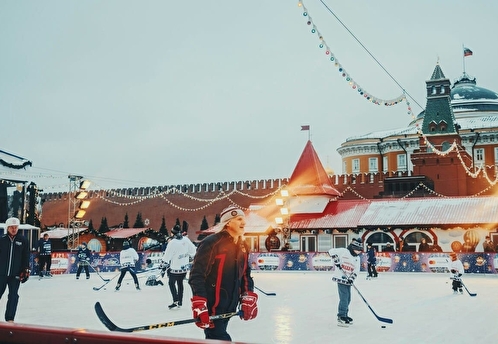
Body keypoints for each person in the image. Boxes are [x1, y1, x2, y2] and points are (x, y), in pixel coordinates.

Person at [189, 205, 258, 341]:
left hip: (229, 306)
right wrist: (200, 304)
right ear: (228, 222)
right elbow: (197, 275)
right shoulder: (211, 243)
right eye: (238, 219)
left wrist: (247, 296)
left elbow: (245, 275)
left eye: (243, 219)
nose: (243, 223)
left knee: (216, 339)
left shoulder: (243, 246)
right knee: (220, 338)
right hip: (213, 308)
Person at [0, 217, 30, 322]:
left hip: (15, 274)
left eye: (16, 227)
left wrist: (26, 270)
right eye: (12, 227)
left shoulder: (23, 240)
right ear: (7, 228)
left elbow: (26, 256)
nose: (14, 229)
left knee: (13, 296)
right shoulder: (2, 240)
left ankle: (10, 318)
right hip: (1, 274)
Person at [328, 237, 362, 327]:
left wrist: (352, 278)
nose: (359, 252)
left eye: (360, 250)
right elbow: (331, 251)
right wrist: (336, 260)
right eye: (357, 250)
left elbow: (356, 270)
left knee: (348, 299)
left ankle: (345, 315)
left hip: (348, 279)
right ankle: (341, 316)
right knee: (344, 298)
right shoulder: (343, 251)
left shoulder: (357, 258)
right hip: (340, 278)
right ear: (353, 247)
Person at [160, 224, 197, 309]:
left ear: (173, 233)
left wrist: (163, 266)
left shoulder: (172, 243)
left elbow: (167, 256)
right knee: (180, 284)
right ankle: (180, 301)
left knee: (171, 283)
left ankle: (175, 301)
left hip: (175, 269)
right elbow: (193, 251)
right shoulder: (186, 240)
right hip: (184, 269)